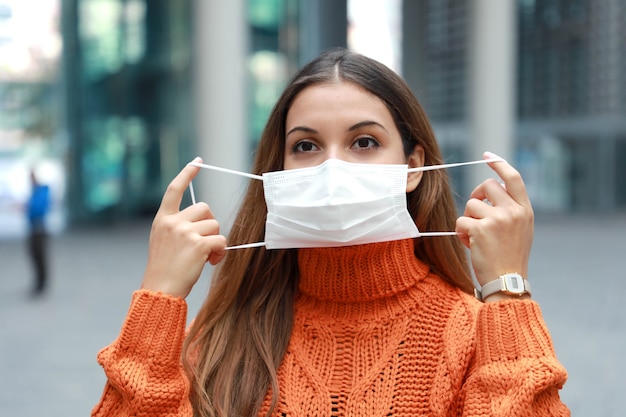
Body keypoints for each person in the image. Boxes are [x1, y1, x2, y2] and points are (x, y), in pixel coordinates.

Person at [92, 48, 570, 417]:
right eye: (306, 146)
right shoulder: (221, 338)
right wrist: (158, 297)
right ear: (276, 170)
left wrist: (507, 291)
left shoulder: (471, 333)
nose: (332, 168)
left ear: (412, 167)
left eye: (364, 142)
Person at [26, 169, 50, 296]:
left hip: (39, 229)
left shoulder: (41, 192)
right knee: (35, 257)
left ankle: (41, 284)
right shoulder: (35, 192)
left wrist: (28, 207)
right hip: (34, 228)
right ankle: (38, 283)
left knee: (40, 258)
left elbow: (38, 209)